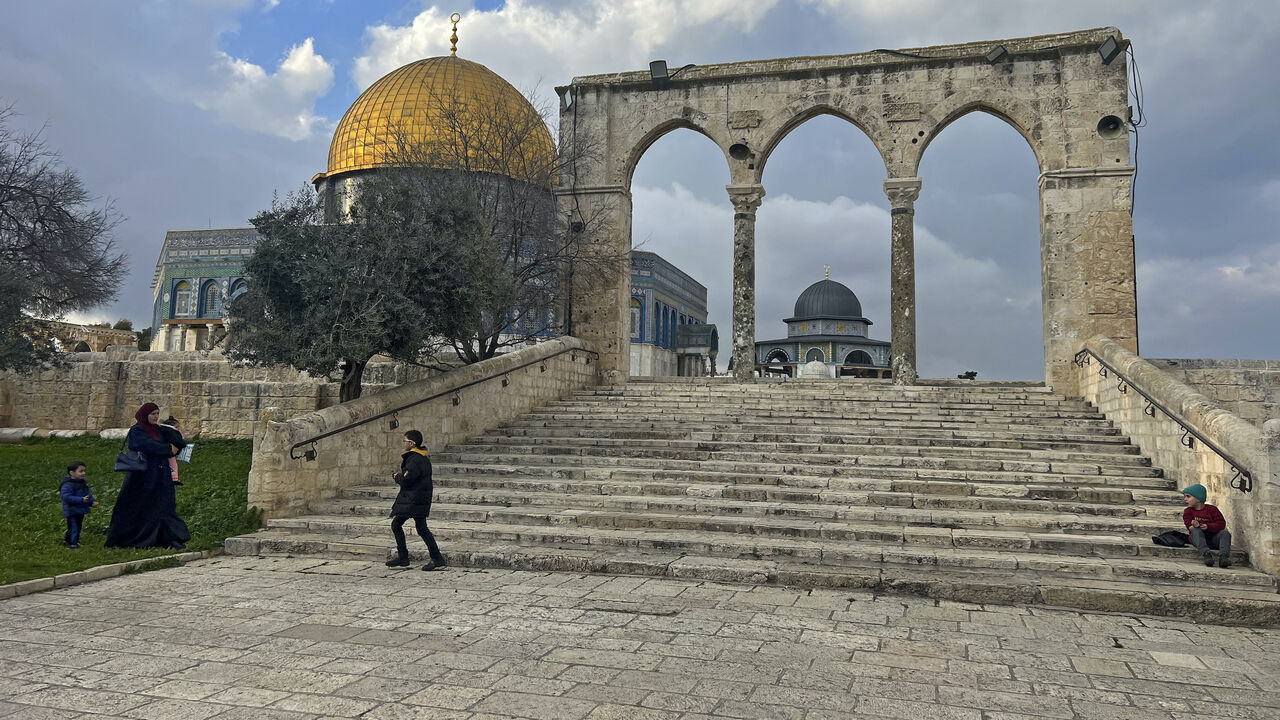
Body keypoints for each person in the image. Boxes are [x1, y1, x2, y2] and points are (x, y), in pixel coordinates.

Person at [105, 402, 191, 550]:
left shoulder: (160, 430)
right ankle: (134, 539)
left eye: (157, 414)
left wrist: (175, 443)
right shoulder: (137, 430)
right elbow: (146, 446)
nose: (156, 417)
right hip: (142, 477)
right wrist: (167, 448)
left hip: (161, 475)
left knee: (164, 507)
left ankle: (168, 539)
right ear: (145, 414)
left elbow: (177, 440)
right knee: (139, 507)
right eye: (152, 414)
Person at [385, 429, 446, 571]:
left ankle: (431, 558)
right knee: (416, 527)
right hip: (417, 499)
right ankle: (408, 557)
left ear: (412, 443)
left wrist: (397, 477)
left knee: (402, 526)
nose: (403, 444)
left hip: (413, 500)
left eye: (405, 441)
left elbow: (407, 480)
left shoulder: (415, 459)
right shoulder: (420, 457)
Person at [1181, 483, 1231, 568]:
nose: (1185, 499)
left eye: (1188, 496)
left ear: (1198, 498)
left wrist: (1208, 526)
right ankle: (1207, 555)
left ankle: (1224, 557)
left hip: (1213, 539)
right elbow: (1190, 527)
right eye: (1185, 496)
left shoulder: (1212, 509)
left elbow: (1221, 524)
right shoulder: (1188, 512)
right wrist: (1195, 525)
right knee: (1195, 531)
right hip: (1198, 540)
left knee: (1225, 533)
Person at [59, 461, 97, 548]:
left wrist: (92, 502)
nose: (84, 473)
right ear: (72, 473)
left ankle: (69, 540)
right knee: (74, 527)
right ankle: (73, 543)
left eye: (84, 471)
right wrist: (81, 499)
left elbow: (87, 495)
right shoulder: (67, 485)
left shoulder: (82, 483)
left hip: (80, 509)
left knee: (77, 526)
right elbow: (66, 497)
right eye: (81, 471)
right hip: (72, 510)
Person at [159, 416, 186, 486]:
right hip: (169, 451)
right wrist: (183, 444)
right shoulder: (172, 432)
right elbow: (178, 441)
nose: (178, 429)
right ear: (173, 426)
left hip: (163, 450)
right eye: (177, 427)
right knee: (173, 465)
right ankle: (173, 479)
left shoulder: (161, 430)